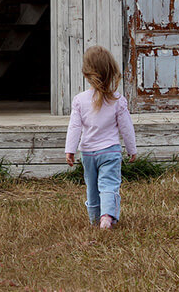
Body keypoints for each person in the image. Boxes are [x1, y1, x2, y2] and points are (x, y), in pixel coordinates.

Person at [64, 46, 137, 229]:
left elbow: (74, 127)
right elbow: (126, 127)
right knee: (109, 184)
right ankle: (107, 216)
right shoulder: (117, 100)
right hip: (110, 151)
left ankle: (94, 219)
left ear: (86, 73)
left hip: (88, 153)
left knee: (92, 188)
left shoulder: (80, 100)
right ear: (111, 72)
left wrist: (70, 150)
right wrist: (132, 149)